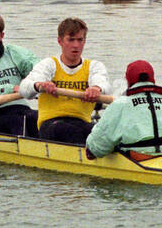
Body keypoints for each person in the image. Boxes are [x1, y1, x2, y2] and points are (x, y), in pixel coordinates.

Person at [85, 61, 162, 161]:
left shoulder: (119, 105)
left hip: (138, 161)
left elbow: (96, 148)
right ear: (154, 80)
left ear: (128, 81)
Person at [19, 17, 109, 145]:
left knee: (106, 134)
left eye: (80, 40)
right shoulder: (49, 65)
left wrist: (96, 88)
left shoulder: (94, 66)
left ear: (84, 41)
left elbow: (104, 84)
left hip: (82, 122)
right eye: (71, 40)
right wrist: (39, 85)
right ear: (60, 41)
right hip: (51, 124)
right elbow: (24, 89)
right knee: (68, 131)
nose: (76, 45)